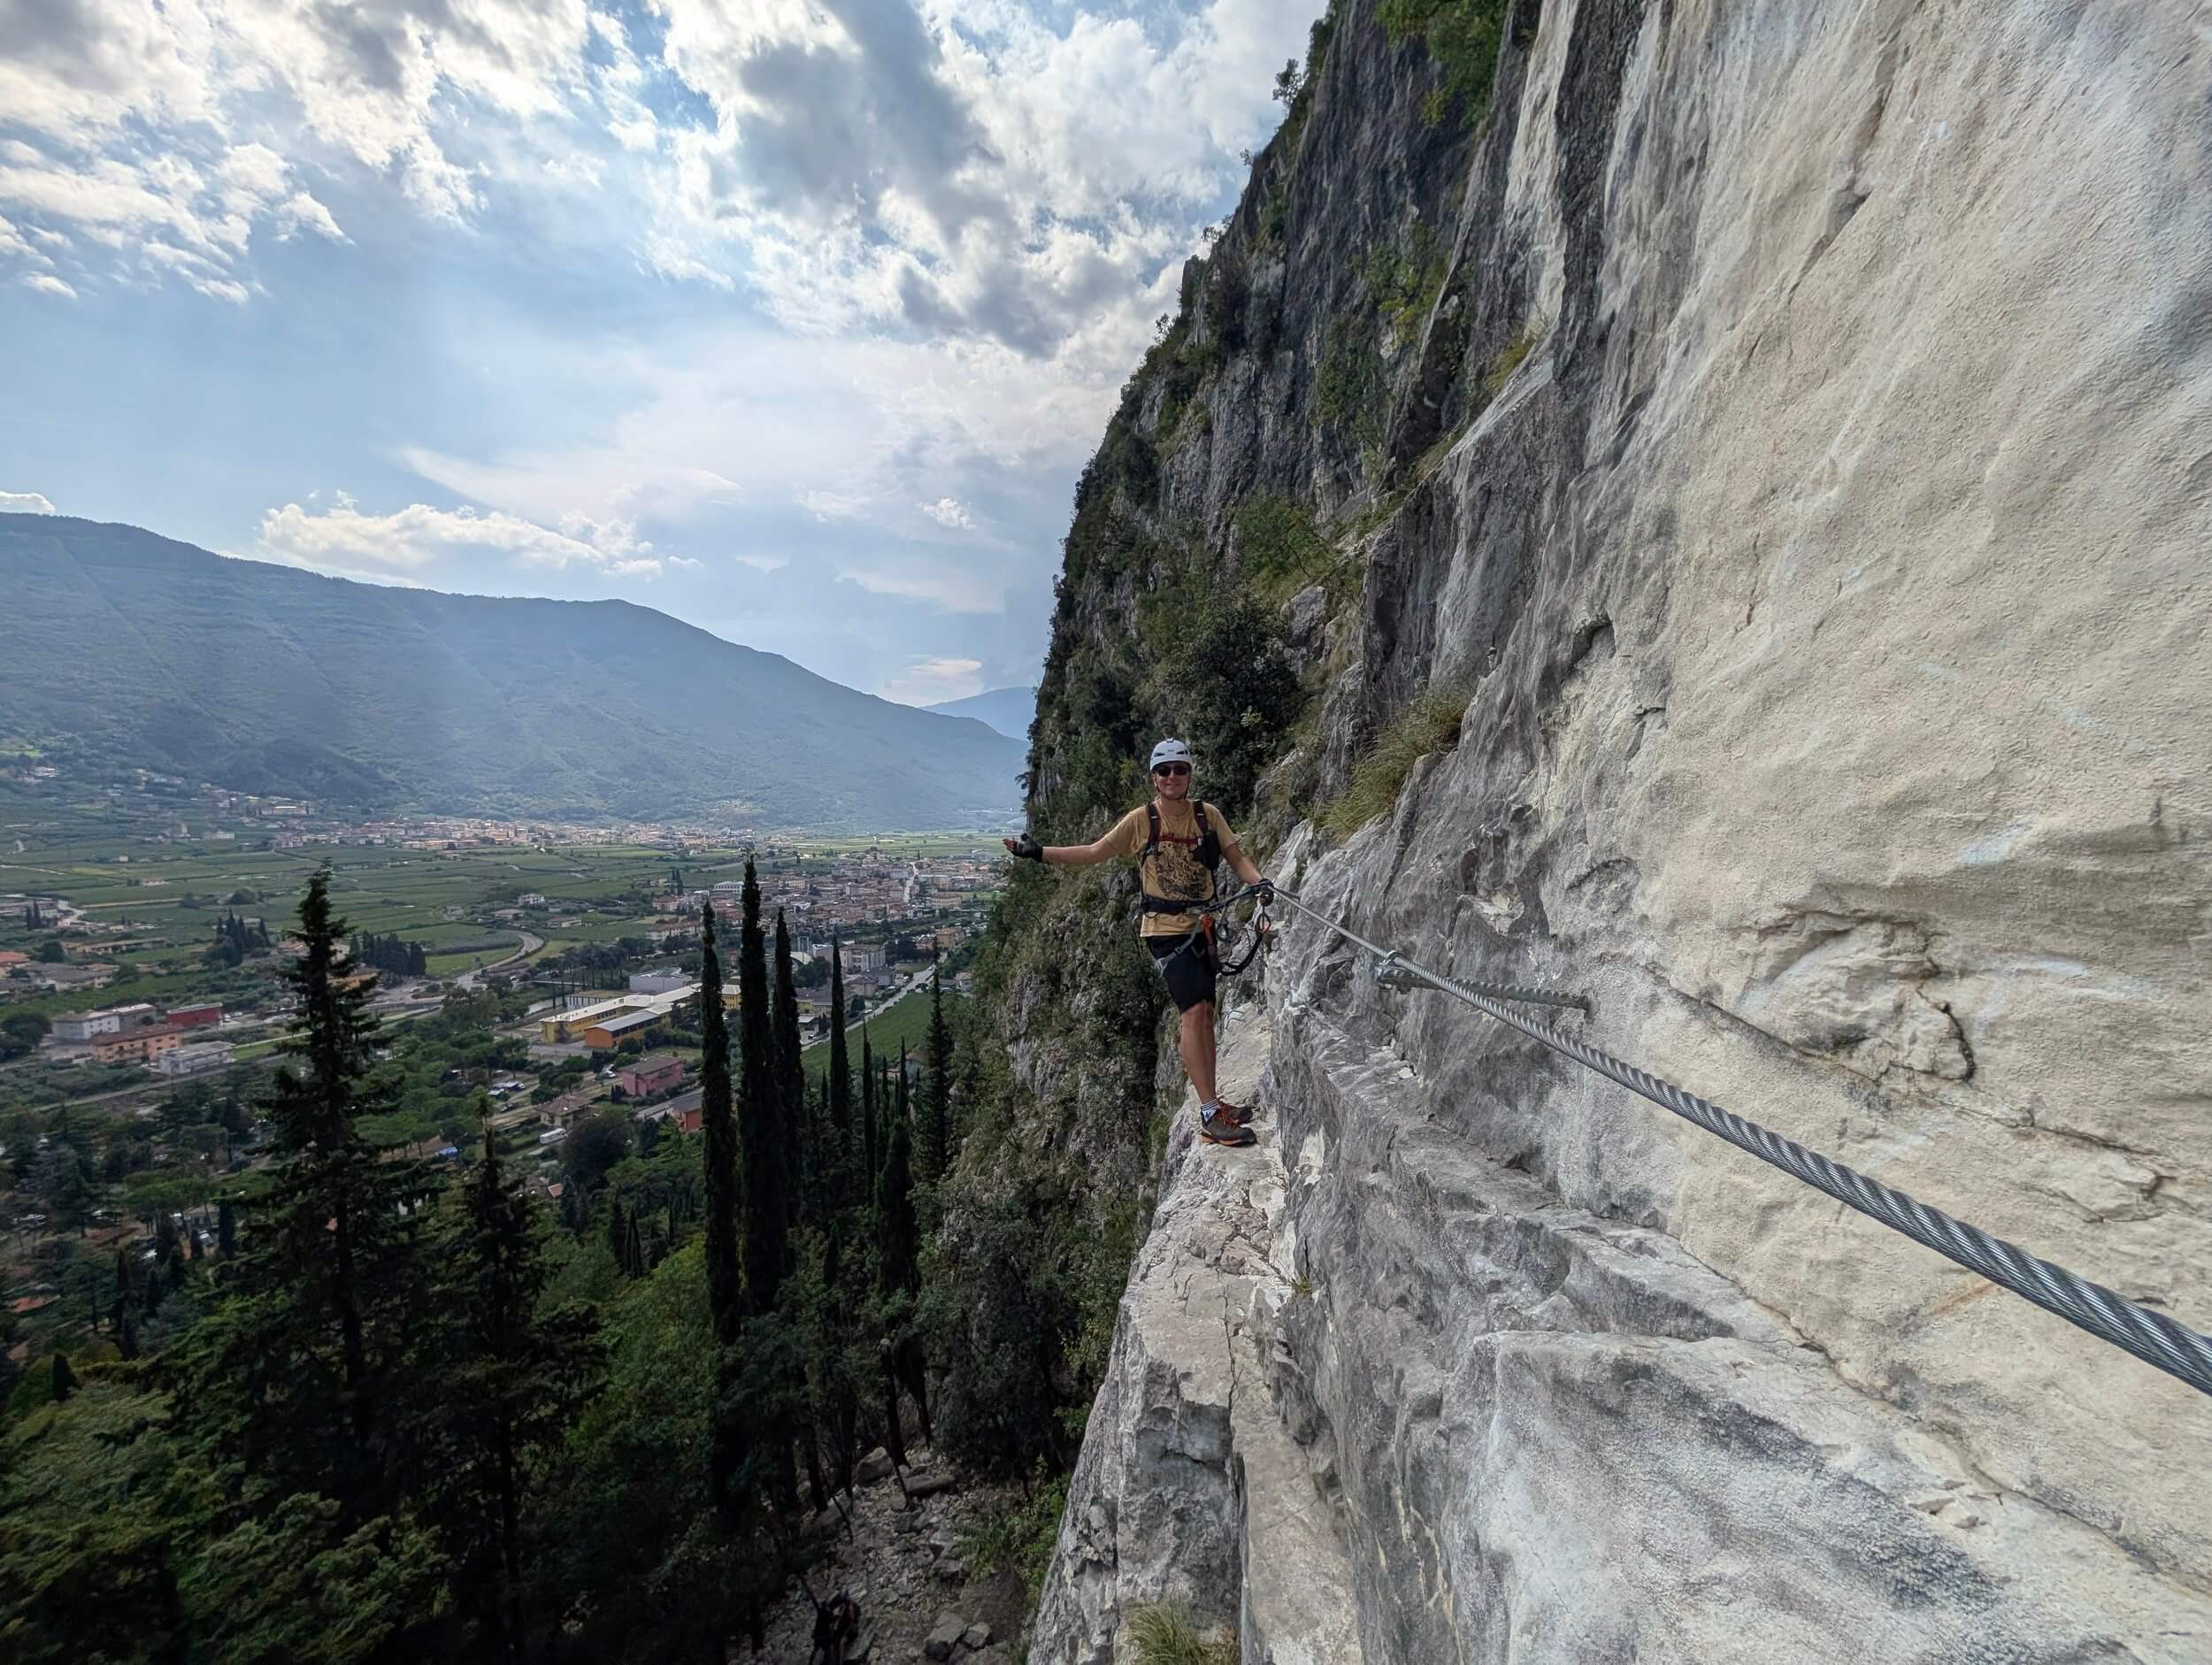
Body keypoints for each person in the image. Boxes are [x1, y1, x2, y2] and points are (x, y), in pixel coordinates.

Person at [1002, 738, 1270, 1147]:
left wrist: (1259, 884)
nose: (1172, 777)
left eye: (1179, 769)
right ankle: (1208, 1113)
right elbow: (1094, 852)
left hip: (1202, 927)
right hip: (1164, 931)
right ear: (1154, 778)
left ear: (1188, 774)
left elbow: (1237, 857)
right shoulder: (1141, 821)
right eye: (1164, 771)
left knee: (1207, 1015)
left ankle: (1214, 1101)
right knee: (1193, 1012)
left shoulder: (1207, 815)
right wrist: (1038, 852)